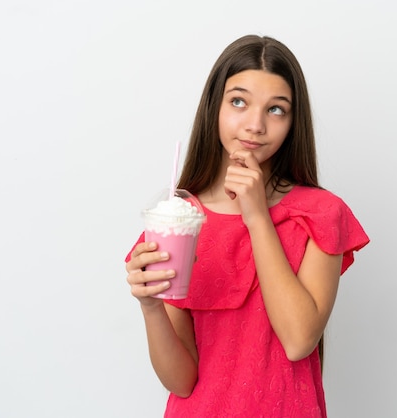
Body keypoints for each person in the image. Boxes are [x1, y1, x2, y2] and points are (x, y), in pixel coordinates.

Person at [125, 34, 369, 418]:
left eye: (276, 109)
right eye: (238, 101)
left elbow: (298, 339)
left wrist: (256, 215)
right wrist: (151, 308)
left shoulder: (322, 214)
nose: (255, 125)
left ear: (293, 122)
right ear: (214, 109)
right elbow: (181, 381)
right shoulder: (179, 221)